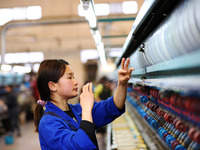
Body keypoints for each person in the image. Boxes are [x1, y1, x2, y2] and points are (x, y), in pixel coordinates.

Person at [34, 58, 134, 150]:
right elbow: (79, 147)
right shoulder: (48, 124)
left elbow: (112, 107)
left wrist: (122, 84)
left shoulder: (77, 110)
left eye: (74, 77)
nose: (76, 82)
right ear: (52, 86)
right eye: (70, 77)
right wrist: (86, 109)